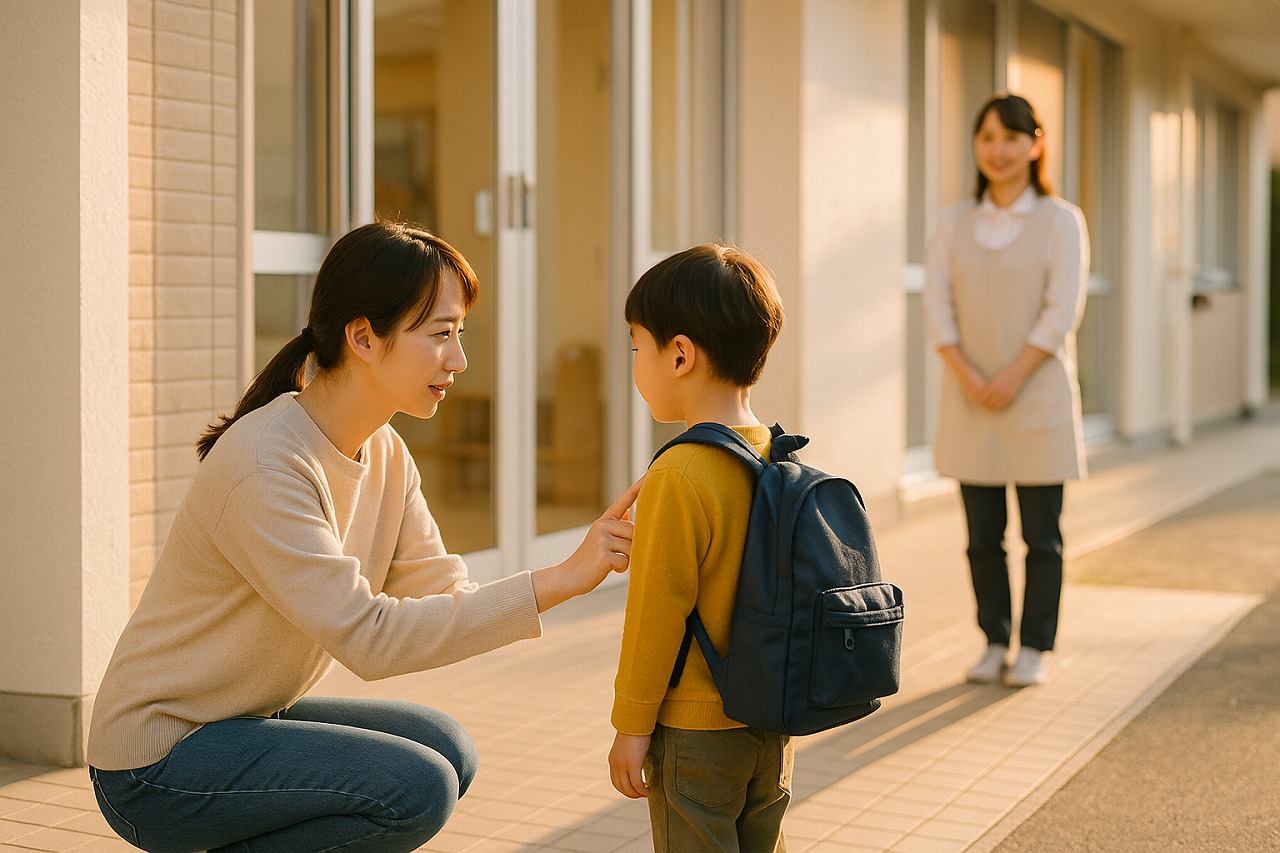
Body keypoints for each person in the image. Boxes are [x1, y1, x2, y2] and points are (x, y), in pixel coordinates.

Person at [87, 221, 641, 853]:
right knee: (417, 786)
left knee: (448, 749)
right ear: (363, 338)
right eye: (440, 334)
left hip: (239, 719)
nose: (459, 360)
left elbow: (444, 592)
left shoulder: (385, 452)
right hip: (157, 760)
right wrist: (559, 580)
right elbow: (369, 640)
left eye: (459, 334)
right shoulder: (266, 464)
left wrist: (564, 579)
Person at [608, 244, 792, 852]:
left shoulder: (680, 471)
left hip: (696, 732)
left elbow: (656, 612)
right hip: (770, 723)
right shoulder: (776, 453)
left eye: (637, 348)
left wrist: (631, 725)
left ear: (680, 355)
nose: (636, 364)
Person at [923, 93, 1090, 688]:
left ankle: (1035, 645)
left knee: (1042, 536)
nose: (998, 150)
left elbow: (1061, 309)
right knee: (981, 538)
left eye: (1011, 138)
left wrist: (1012, 376)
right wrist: (971, 376)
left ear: (1036, 145)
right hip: (969, 397)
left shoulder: (1061, 221)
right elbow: (937, 306)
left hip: (1038, 395)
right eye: (988, 137)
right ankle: (994, 640)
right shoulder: (952, 223)